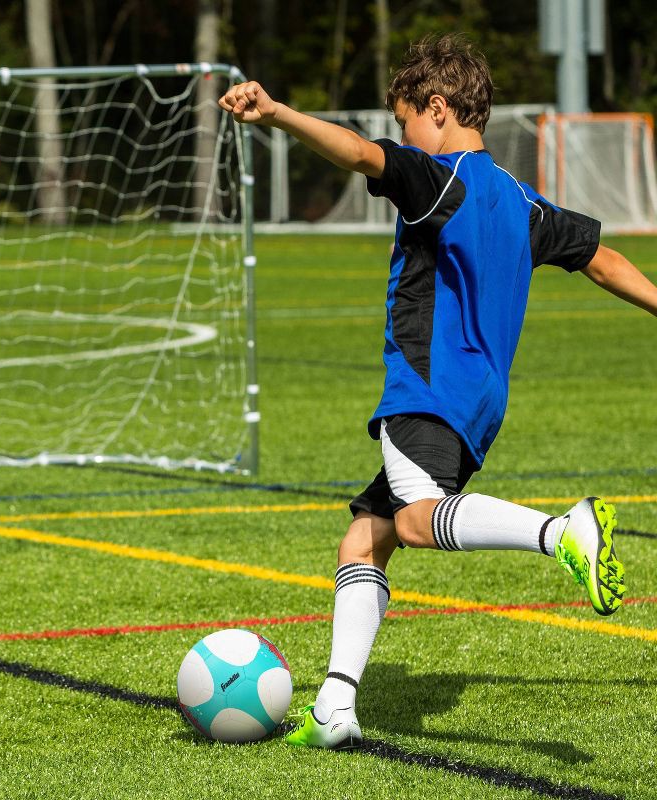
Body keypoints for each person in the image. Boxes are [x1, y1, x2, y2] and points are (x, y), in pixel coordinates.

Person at [218, 33, 657, 750]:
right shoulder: (520, 200)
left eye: (406, 121)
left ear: (439, 108)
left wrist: (278, 113)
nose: (402, 138)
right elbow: (603, 259)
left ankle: (562, 532)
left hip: (425, 391)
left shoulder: (438, 181)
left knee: (419, 520)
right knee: (366, 538)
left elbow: (362, 154)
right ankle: (336, 706)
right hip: (480, 405)